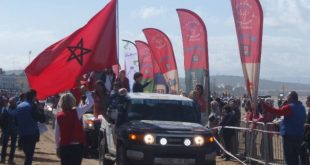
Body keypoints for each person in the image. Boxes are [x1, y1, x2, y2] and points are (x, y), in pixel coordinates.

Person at [263, 91, 306, 165]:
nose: (286, 98)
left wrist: (265, 106)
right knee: (296, 158)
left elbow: (278, 112)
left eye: (288, 97)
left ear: (291, 98)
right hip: (299, 135)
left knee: (289, 158)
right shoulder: (302, 108)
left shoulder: (289, 107)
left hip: (289, 136)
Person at [55, 86, 94, 165]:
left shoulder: (59, 116)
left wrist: (57, 147)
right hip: (77, 146)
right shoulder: (77, 111)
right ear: (72, 101)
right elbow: (90, 103)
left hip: (64, 146)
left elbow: (57, 134)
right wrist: (87, 92)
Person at [16, 90, 46, 165]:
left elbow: (16, 121)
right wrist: (41, 109)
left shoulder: (19, 105)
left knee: (27, 155)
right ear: (34, 97)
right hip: (31, 134)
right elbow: (42, 119)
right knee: (29, 157)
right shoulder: (33, 106)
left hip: (21, 134)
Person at [0, 97, 18, 164]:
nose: (15, 103)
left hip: (11, 130)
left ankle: (7, 159)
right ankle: (6, 159)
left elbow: (2, 120)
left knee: (9, 145)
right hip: (10, 130)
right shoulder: (6, 109)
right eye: (14, 102)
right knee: (8, 145)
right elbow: (1, 120)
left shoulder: (6, 109)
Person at [300, 96, 310, 165]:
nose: (306, 102)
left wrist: (306, 125)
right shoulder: (308, 111)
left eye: (307, 100)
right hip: (307, 136)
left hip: (308, 137)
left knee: (304, 153)